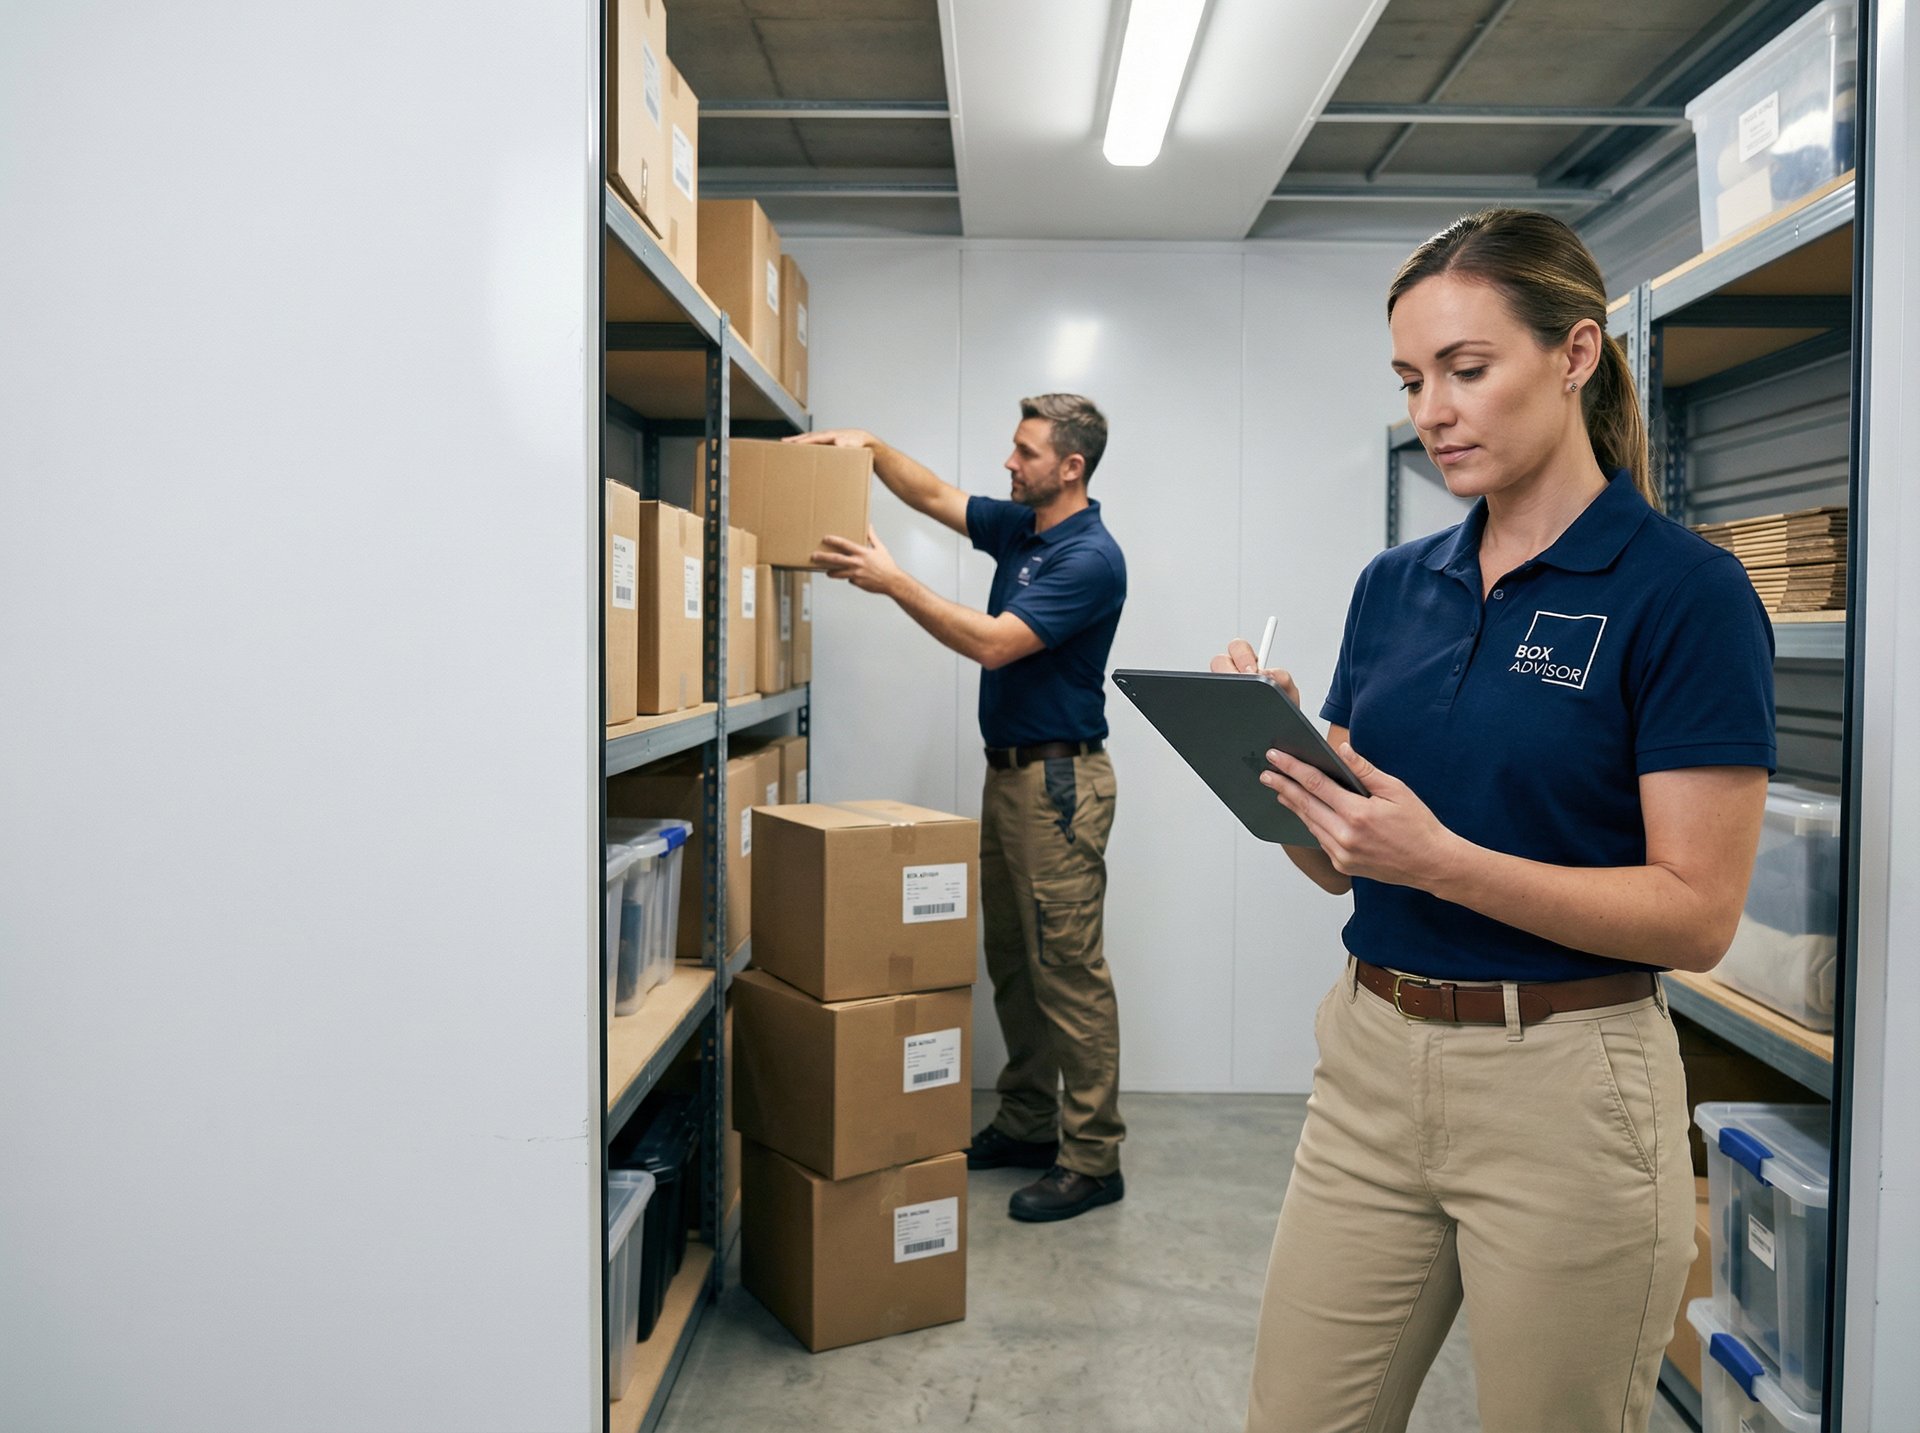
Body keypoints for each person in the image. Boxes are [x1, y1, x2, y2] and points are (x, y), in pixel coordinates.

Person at [1219, 211, 1775, 1433]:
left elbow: (1697, 915)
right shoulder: (1393, 585)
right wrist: (1281, 768)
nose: (1434, 410)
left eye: (1468, 370)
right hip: (1370, 1057)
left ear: (1575, 355)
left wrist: (1448, 862)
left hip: (1569, 1088)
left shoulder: (1684, 593)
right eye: (1413, 380)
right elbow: (1338, 866)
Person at [788, 394, 1128, 1223]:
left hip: (1058, 788)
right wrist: (870, 443)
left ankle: (1092, 1159)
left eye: (1024, 451)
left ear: (1070, 467)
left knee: (1068, 973)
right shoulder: (1024, 527)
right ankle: (1026, 1122)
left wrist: (894, 581)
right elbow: (934, 495)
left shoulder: (1090, 557)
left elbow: (993, 642)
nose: (1009, 464)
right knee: (1015, 959)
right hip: (1011, 779)